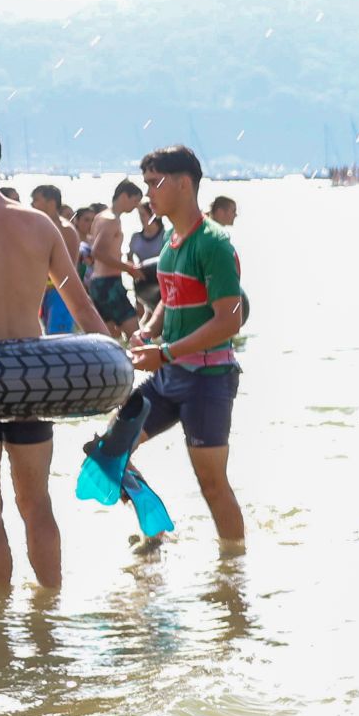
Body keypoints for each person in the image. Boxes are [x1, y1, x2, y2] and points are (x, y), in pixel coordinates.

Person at [0, 122, 109, 590]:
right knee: (36, 503)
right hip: (29, 381)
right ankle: (48, 621)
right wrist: (114, 377)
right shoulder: (39, 225)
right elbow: (82, 307)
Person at [126, 144, 249, 545]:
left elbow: (229, 319)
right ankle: (155, 529)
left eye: (154, 184)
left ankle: (233, 572)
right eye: (145, 185)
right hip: (169, 375)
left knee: (213, 486)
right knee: (110, 449)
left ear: (183, 183)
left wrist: (163, 352)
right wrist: (148, 329)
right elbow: (168, 297)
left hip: (208, 380)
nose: (148, 194)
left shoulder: (213, 243)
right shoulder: (171, 242)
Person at [86, 180, 146, 339]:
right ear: (124, 196)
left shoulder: (100, 216)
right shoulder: (111, 219)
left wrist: (124, 265)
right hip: (109, 283)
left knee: (108, 337)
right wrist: (128, 269)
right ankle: (147, 363)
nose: (135, 207)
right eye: (135, 201)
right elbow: (98, 251)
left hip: (98, 282)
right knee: (136, 335)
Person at [29, 186, 79, 335]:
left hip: (60, 294)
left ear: (51, 202)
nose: (32, 204)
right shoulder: (39, 227)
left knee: (58, 338)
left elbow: (69, 269)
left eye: (36, 200)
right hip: (44, 293)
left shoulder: (66, 229)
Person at [130, 201, 166, 312]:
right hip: (142, 283)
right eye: (139, 215)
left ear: (153, 214)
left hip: (162, 283)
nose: (141, 218)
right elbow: (129, 260)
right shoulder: (135, 237)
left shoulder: (165, 235)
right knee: (142, 313)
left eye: (143, 215)